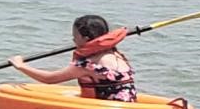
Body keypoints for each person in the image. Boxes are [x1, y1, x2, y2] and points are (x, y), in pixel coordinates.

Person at [10, 14, 138, 101]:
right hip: (127, 106)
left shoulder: (87, 65)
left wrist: (21, 66)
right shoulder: (117, 55)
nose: (73, 39)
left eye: (75, 36)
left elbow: (49, 79)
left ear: (85, 38)